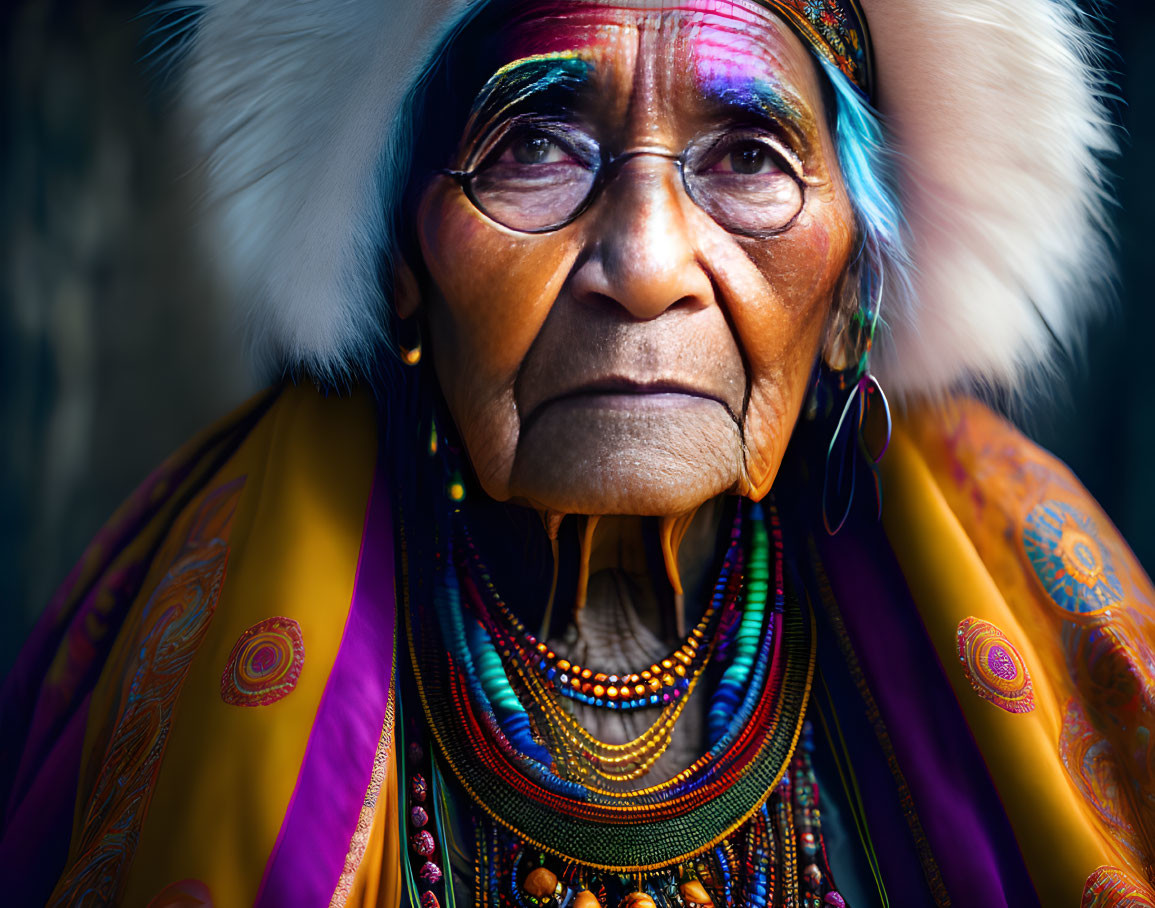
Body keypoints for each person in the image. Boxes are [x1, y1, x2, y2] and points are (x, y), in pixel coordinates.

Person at [1, 0, 1151, 905]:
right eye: (536, 147)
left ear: (856, 283)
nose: (646, 264)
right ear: (399, 261)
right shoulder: (195, 619)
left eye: (749, 157)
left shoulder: (1034, 596)